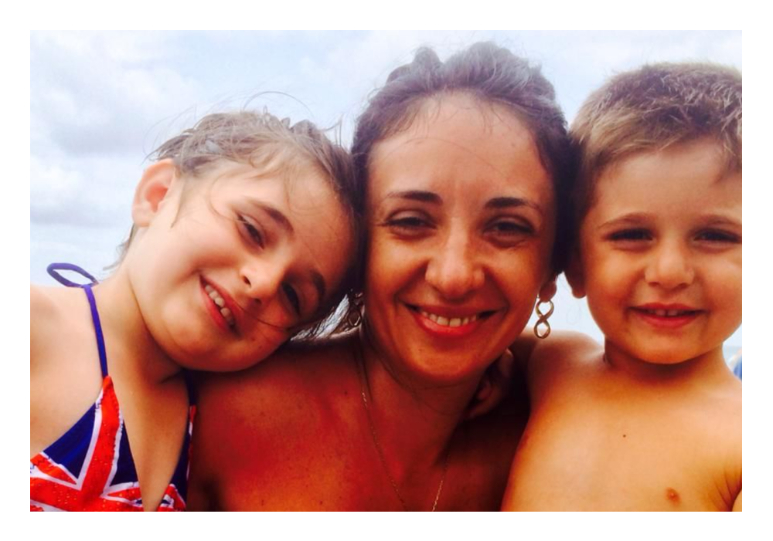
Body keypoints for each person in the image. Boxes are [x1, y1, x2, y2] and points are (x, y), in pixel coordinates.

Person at [188, 42, 572, 511]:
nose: (453, 276)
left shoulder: (554, 432)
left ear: (553, 264)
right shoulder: (224, 413)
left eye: (507, 228)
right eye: (411, 221)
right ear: (359, 245)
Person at [30, 111, 357, 511]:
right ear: (158, 195)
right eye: (251, 230)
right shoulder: (32, 326)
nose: (264, 283)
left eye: (293, 295)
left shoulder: (216, 426)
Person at [501, 63, 742, 511]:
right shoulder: (552, 362)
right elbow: (476, 349)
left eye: (715, 235)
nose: (670, 272)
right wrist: (492, 371)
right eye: (632, 235)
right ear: (574, 265)